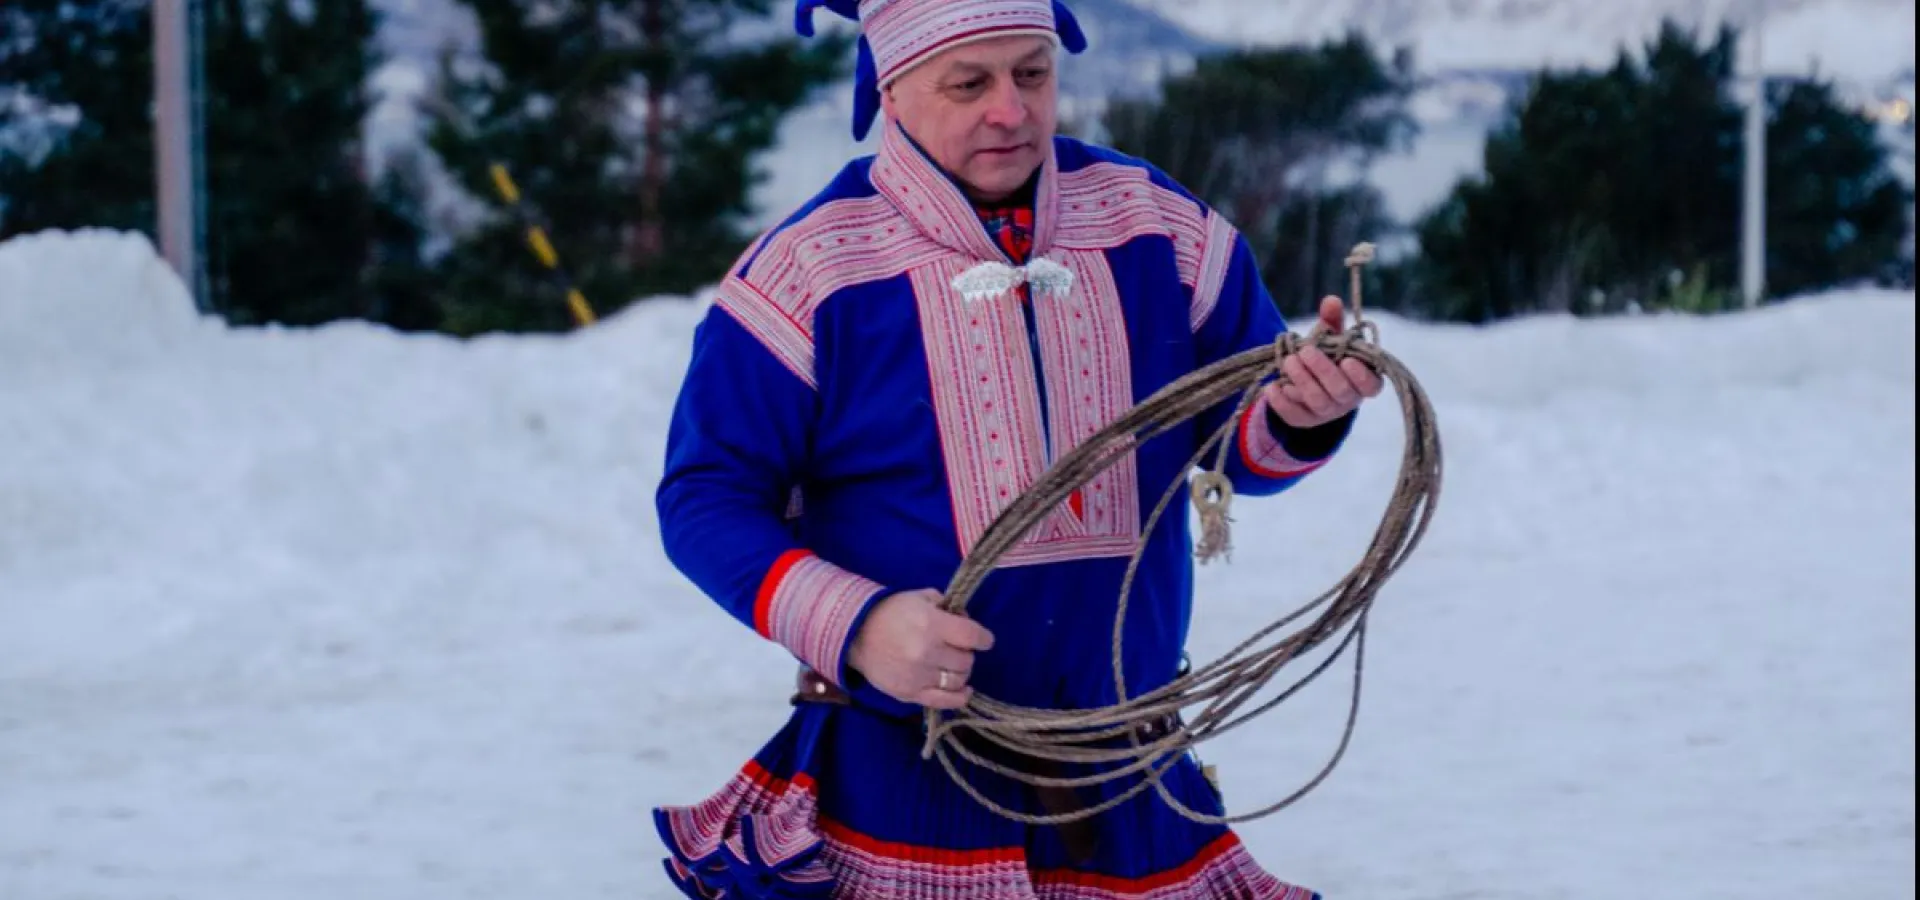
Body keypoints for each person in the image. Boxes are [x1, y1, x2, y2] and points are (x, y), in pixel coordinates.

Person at [650, 0, 1384, 896]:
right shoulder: (808, 271)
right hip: (900, 778)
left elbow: (1244, 445)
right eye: (970, 83)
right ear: (892, 88)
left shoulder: (1159, 227)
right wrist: (860, 624)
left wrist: (1305, 411)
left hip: (1129, 770)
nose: (1012, 109)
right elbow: (704, 500)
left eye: (1032, 74)